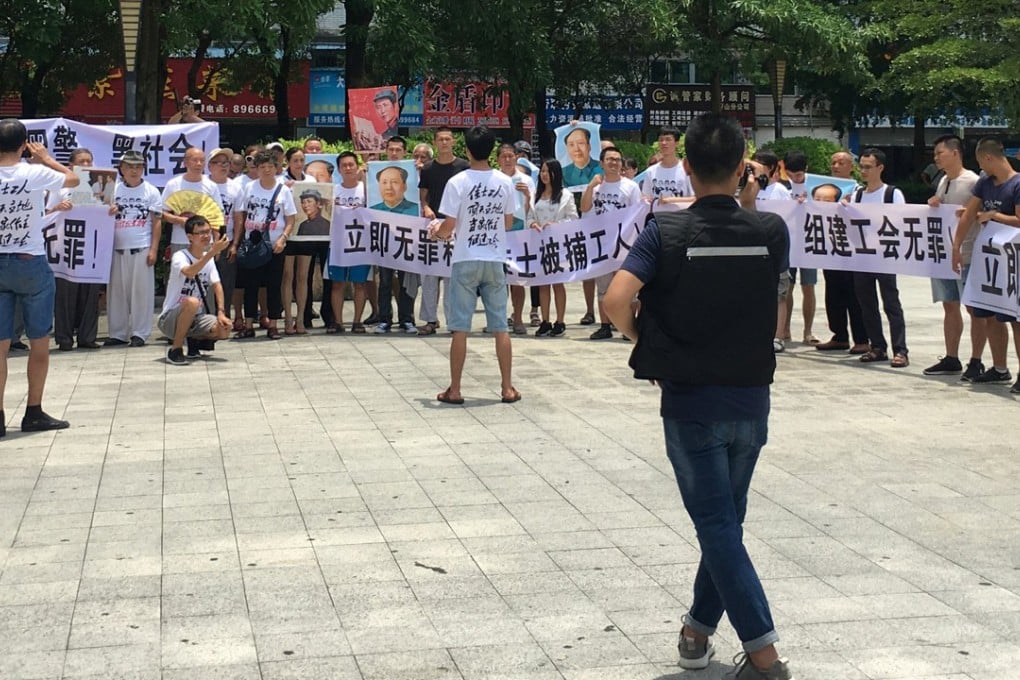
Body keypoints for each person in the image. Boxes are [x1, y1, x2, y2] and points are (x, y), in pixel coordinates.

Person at [602, 112, 793, 680]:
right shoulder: (770, 231)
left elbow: (616, 300)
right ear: (742, 169)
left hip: (690, 401)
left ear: (684, 168)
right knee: (725, 524)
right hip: (750, 398)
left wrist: (648, 343)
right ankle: (696, 634)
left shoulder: (666, 228)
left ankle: (764, 658)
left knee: (716, 526)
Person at [428, 126, 518, 405]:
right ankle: (506, 388)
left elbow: (450, 226)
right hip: (494, 258)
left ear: (466, 150)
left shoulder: (457, 182)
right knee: (500, 326)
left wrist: (437, 231)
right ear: (492, 151)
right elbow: (508, 222)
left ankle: (455, 389)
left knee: (460, 327)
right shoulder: (505, 181)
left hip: (465, 256)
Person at [0, 119, 79, 436]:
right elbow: (73, 179)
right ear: (24, 145)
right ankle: (33, 411)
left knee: (0, 345)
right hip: (29, 259)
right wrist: (45, 157)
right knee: (39, 341)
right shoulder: (33, 172)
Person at [951, 137, 1020, 391]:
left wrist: (994, 215)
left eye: (980, 161)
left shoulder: (1017, 184)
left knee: (1016, 318)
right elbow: (970, 213)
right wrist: (956, 246)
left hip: (1014, 261)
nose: (981, 167)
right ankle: (1000, 368)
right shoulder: (985, 184)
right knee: (991, 315)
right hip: (991, 261)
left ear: (988, 158)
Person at [924, 134, 984, 378]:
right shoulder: (943, 181)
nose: (936, 157)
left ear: (955, 152)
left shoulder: (972, 181)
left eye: (940, 153)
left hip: (968, 254)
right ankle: (951, 357)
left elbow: (983, 210)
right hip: (943, 255)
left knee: (973, 308)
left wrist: (971, 212)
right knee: (949, 305)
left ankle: (976, 360)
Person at [850, 148, 909, 367]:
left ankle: (901, 350)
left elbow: (902, 221)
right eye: (861, 166)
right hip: (862, 257)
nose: (863, 171)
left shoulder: (892, 194)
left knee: (891, 304)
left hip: (885, 256)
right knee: (867, 304)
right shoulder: (857, 194)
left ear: (880, 168)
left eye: (868, 167)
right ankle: (877, 346)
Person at [231, 150, 296, 340]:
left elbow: (291, 218)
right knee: (250, 285)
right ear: (256, 169)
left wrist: (283, 238)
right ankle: (249, 324)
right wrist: (239, 241)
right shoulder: (249, 188)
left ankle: (273, 324)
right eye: (262, 167)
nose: (266, 170)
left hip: (275, 244)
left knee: (274, 285)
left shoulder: (283, 189)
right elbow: (241, 215)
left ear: (276, 168)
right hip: (252, 244)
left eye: (270, 167)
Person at [580, 145, 641, 340]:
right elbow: (585, 208)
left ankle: (628, 327)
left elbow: (637, 214)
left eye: (617, 159)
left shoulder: (630, 186)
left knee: (628, 288)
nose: (614, 162)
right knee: (603, 287)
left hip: (624, 244)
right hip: (602, 244)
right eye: (609, 159)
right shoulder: (596, 186)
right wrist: (590, 186)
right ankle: (605, 325)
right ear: (601, 163)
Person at [105, 150, 162, 348]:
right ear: (121, 169)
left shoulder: (151, 191)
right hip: (116, 248)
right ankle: (118, 333)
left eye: (138, 166)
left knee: (142, 293)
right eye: (129, 166)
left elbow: (156, 222)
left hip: (141, 246)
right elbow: (98, 216)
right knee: (116, 293)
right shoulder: (112, 190)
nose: (134, 170)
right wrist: (107, 212)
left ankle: (140, 333)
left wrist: (154, 249)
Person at [158, 215, 232, 365]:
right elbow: (190, 272)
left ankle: (193, 342)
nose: (206, 236)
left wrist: (221, 312)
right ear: (190, 237)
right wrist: (212, 252)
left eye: (208, 231)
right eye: (201, 233)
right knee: (192, 302)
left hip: (196, 318)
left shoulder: (208, 259)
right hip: (170, 317)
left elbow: (217, 285)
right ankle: (176, 349)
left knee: (224, 329)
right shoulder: (180, 256)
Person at [815, 151, 869, 354]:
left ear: (851, 166)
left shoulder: (858, 192)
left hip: (853, 250)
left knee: (854, 294)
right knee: (833, 292)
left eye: (841, 162)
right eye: (833, 162)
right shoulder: (821, 190)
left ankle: (862, 338)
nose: (836, 166)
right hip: (831, 248)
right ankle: (839, 335)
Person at [418, 126, 469, 336]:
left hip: (456, 226)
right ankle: (430, 319)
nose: (445, 142)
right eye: (441, 139)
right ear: (435, 142)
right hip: (433, 226)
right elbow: (424, 197)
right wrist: (426, 207)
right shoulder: (428, 168)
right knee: (429, 275)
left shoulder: (464, 167)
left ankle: (452, 320)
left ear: (453, 142)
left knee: (452, 278)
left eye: (448, 139)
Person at [52, 148, 104, 351]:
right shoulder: (60, 186)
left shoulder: (99, 185)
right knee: (65, 293)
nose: (86, 165)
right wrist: (58, 208)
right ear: (71, 165)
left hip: (91, 245)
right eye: (81, 161)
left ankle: (87, 337)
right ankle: (64, 338)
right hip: (67, 246)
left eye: (89, 161)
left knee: (90, 293)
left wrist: (111, 210)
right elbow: (46, 212)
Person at [528, 159, 577, 338]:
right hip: (540, 243)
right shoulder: (536, 194)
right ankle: (545, 320)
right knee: (543, 284)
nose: (544, 175)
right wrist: (533, 223)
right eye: (542, 172)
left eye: (548, 172)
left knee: (558, 282)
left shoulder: (565, 195)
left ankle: (560, 320)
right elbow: (529, 216)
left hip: (558, 244)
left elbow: (573, 218)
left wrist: (556, 224)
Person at [328, 151, 371, 333]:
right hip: (337, 244)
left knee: (359, 283)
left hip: (361, 243)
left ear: (357, 166)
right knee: (337, 283)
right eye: (344, 165)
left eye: (351, 164)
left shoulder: (366, 189)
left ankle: (357, 321)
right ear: (338, 169)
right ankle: (338, 322)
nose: (348, 168)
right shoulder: (332, 190)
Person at [779, 150, 818, 344]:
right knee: (787, 288)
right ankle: (785, 329)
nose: (795, 178)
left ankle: (808, 331)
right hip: (788, 241)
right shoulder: (781, 185)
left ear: (806, 170)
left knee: (808, 287)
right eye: (791, 174)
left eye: (799, 175)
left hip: (809, 241)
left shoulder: (815, 184)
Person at [497, 143, 536, 335]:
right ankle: (497, 319)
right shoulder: (493, 178)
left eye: (510, 156)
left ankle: (518, 317)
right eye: (503, 156)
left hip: (519, 231)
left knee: (517, 278)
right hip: (496, 231)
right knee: (496, 280)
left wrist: (527, 195)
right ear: (498, 159)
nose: (507, 160)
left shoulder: (526, 180)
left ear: (516, 158)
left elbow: (532, 211)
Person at [205, 147, 243, 331]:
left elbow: (238, 219)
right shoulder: (203, 184)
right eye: (218, 163)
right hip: (203, 242)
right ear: (210, 166)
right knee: (204, 283)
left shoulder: (235, 187)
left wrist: (235, 244)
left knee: (226, 283)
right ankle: (204, 320)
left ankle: (223, 320)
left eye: (226, 163)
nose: (223, 166)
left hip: (226, 242)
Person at [161, 147, 224, 257]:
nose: (199, 164)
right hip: (180, 240)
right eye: (195, 160)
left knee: (205, 273)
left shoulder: (211, 186)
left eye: (202, 160)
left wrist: (216, 245)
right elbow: (162, 213)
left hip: (205, 241)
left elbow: (217, 218)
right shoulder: (173, 184)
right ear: (185, 162)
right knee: (181, 272)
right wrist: (179, 220)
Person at [642, 126, 694, 206]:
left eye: (668, 139)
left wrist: (671, 200)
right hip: (657, 217)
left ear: (677, 143)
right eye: (661, 140)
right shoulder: (651, 171)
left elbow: (695, 198)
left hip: (680, 217)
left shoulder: (686, 169)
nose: (664, 143)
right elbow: (645, 197)